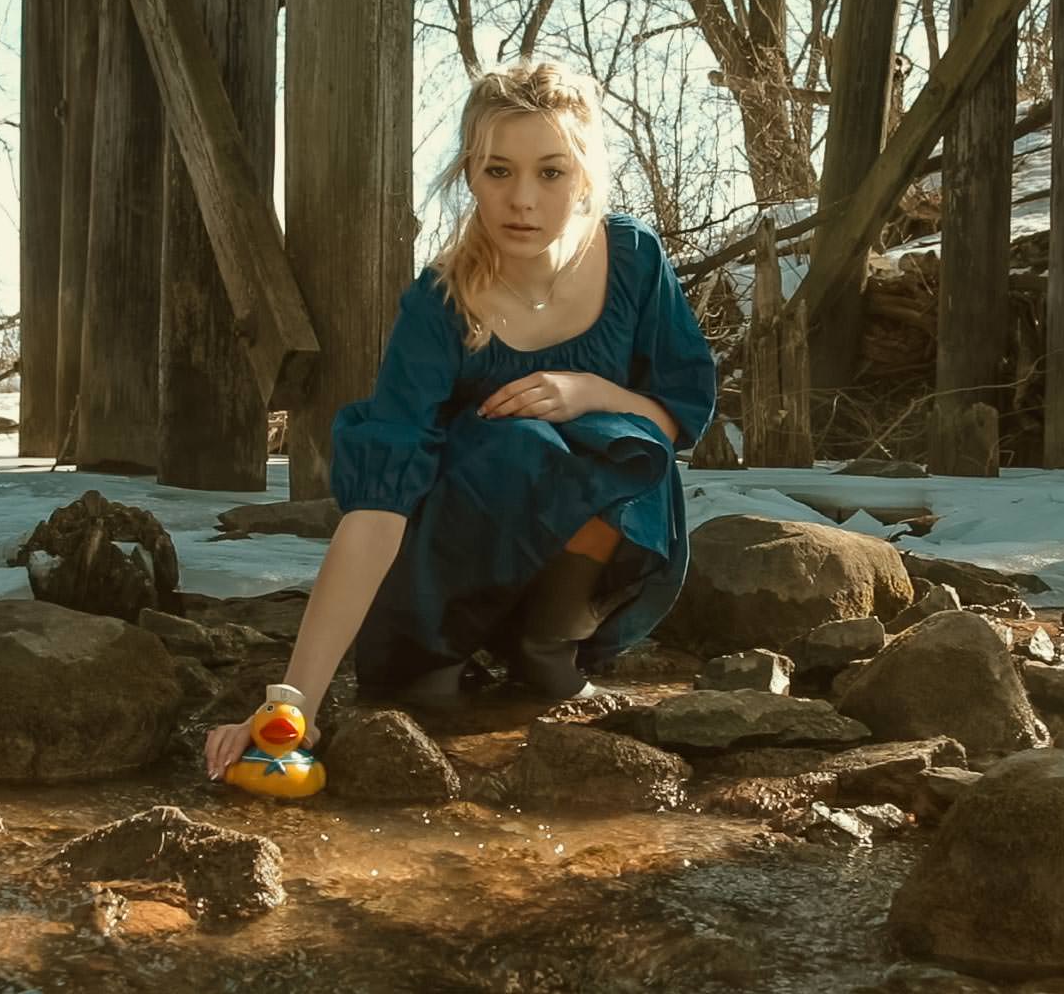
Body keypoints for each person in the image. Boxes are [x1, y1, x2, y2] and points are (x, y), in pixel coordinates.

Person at [205, 59, 717, 781]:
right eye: (498, 171)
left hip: (557, 563)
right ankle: (440, 650)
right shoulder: (440, 304)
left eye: (551, 172)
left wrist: (590, 390)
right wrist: (293, 701)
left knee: (621, 444)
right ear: (469, 174)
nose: (522, 201)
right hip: (445, 570)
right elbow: (379, 503)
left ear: (586, 176)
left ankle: (546, 646)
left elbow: (674, 420)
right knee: (513, 446)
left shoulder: (633, 260)